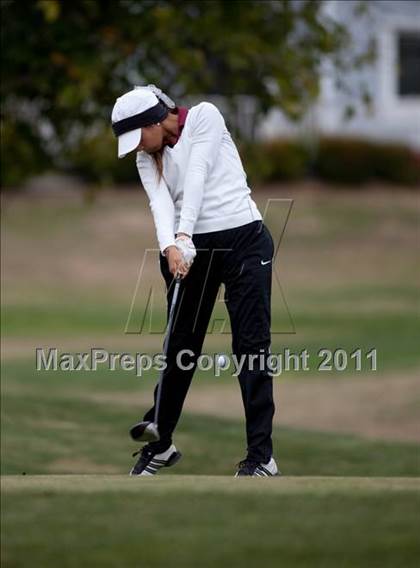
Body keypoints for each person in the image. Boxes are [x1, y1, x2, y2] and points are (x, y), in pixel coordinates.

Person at [111, 85, 279, 477]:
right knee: (179, 346)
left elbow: (199, 175)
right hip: (188, 253)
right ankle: (161, 443)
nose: (137, 148)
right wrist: (170, 247)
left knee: (251, 348)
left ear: (155, 121)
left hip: (245, 242)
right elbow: (160, 204)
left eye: (139, 137)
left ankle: (261, 458)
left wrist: (184, 237)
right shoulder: (146, 159)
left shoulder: (205, 116)